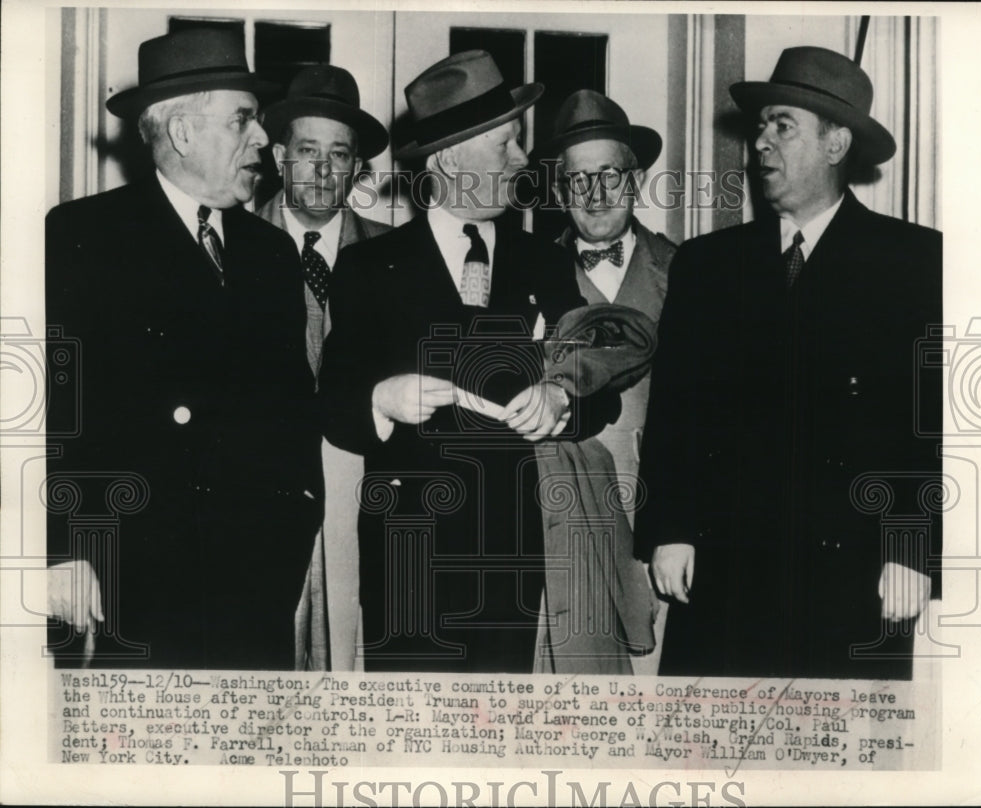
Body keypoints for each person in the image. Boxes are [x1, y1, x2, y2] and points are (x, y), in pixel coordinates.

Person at [635, 46, 942, 680]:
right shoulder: (708, 264)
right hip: (724, 569)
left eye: (783, 126)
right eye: (759, 127)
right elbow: (677, 411)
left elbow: (928, 422)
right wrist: (671, 528)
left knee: (839, 760)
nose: (760, 145)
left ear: (836, 146)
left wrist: (911, 547)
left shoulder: (913, 261)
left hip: (855, 569)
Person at [318, 50, 617, 673]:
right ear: (449, 159)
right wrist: (380, 399)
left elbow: (601, 385)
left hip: (513, 550)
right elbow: (334, 399)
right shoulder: (372, 266)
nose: (521, 159)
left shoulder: (544, 262)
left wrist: (563, 396)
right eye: (507, 143)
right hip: (408, 549)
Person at [45, 28, 322, 669]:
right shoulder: (83, 236)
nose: (262, 140)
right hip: (133, 581)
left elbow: (289, 411)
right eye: (244, 120)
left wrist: (294, 523)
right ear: (183, 133)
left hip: (255, 583)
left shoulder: (271, 252)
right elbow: (54, 412)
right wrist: (63, 548)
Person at [532, 89, 677, 674]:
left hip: (657, 510)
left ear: (635, 180)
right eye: (576, 180)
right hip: (563, 514)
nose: (593, 194)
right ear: (561, 190)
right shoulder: (529, 269)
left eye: (609, 175)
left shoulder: (686, 270)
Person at [257, 65, 391, 671]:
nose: (321, 169)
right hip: (260, 488)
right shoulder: (231, 244)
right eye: (307, 150)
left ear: (357, 167)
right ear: (280, 155)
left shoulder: (395, 255)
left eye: (339, 154)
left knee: (351, 651)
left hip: (359, 482)